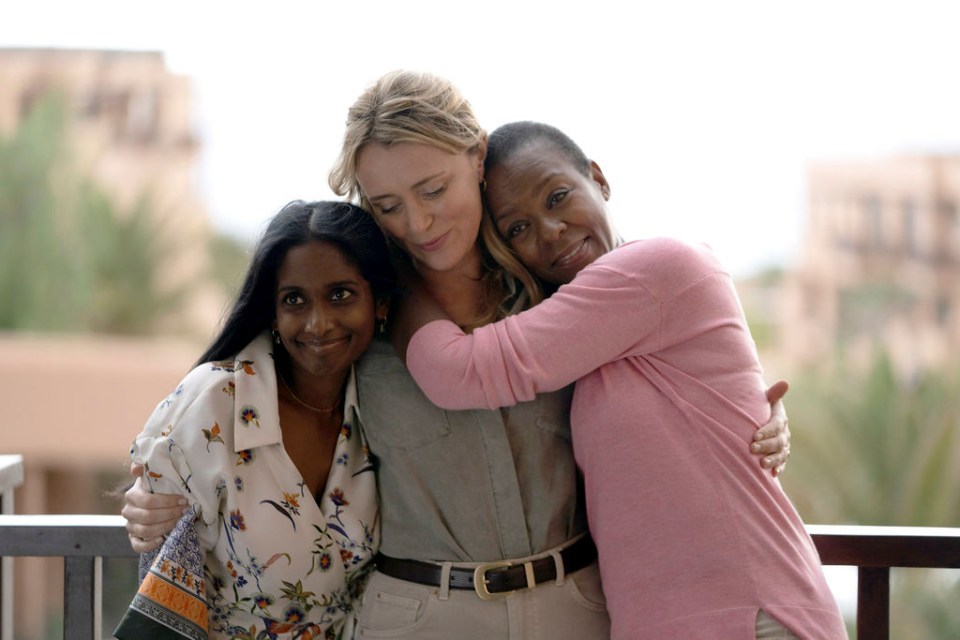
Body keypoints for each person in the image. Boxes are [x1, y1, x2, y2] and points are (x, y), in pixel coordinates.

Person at [122, 71, 792, 639]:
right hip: (420, 619)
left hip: (578, 613)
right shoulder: (359, 324)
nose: (417, 223)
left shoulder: (561, 298)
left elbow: (674, 385)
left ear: (477, 156)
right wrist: (163, 491)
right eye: (388, 205)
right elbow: (258, 424)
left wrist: (757, 425)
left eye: (433, 190)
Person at [391, 121, 846, 639]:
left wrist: (399, 264)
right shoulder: (576, 330)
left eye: (558, 197)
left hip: (750, 615)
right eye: (517, 228)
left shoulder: (658, 266)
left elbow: (459, 373)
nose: (549, 230)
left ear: (599, 180)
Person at [114, 200, 393, 639]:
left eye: (340, 294)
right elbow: (158, 568)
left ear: (379, 303)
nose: (318, 323)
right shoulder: (213, 402)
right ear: (273, 313)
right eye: (294, 300)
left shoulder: (385, 408)